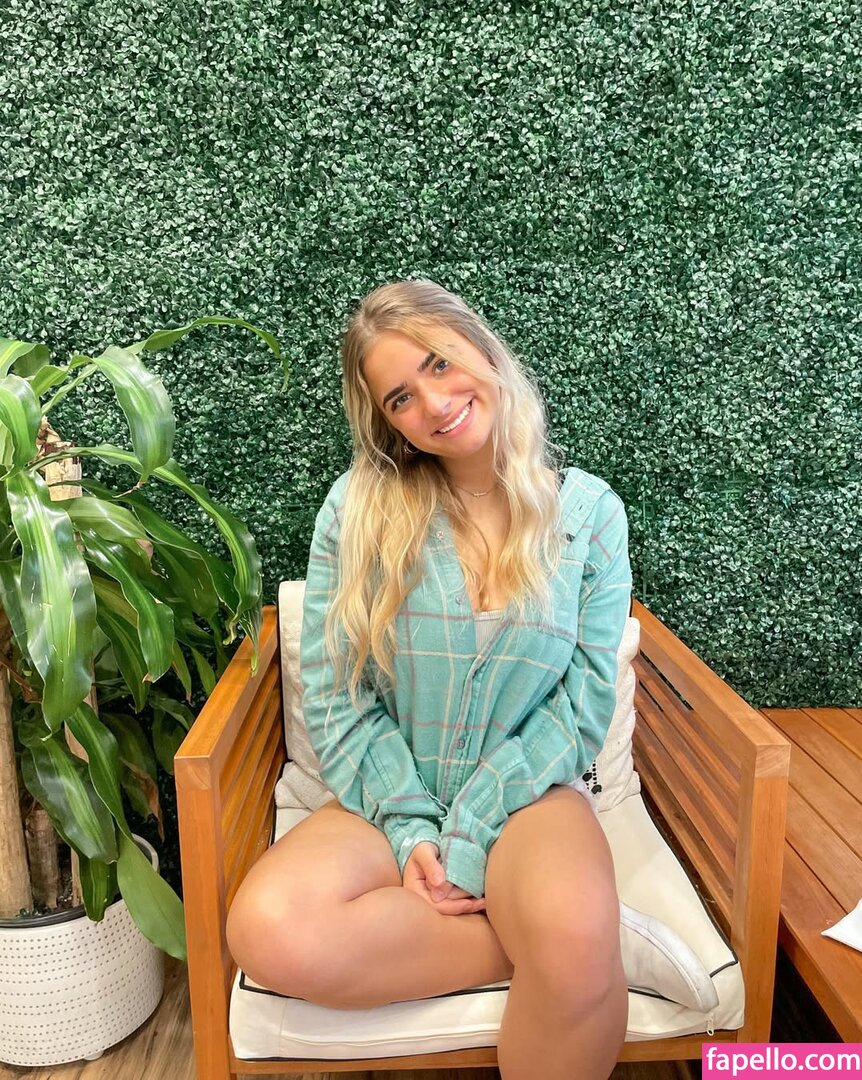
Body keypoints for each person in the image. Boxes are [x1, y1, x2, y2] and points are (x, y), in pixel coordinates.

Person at [226, 278, 634, 1080]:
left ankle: (569, 946)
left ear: (479, 347)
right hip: (392, 789)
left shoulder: (589, 515)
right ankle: (548, 948)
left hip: (528, 795)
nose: (434, 404)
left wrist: (474, 826)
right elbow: (336, 692)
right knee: (268, 928)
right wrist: (414, 828)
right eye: (401, 398)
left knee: (575, 933)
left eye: (439, 364)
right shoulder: (356, 510)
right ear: (388, 422)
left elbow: (584, 699)